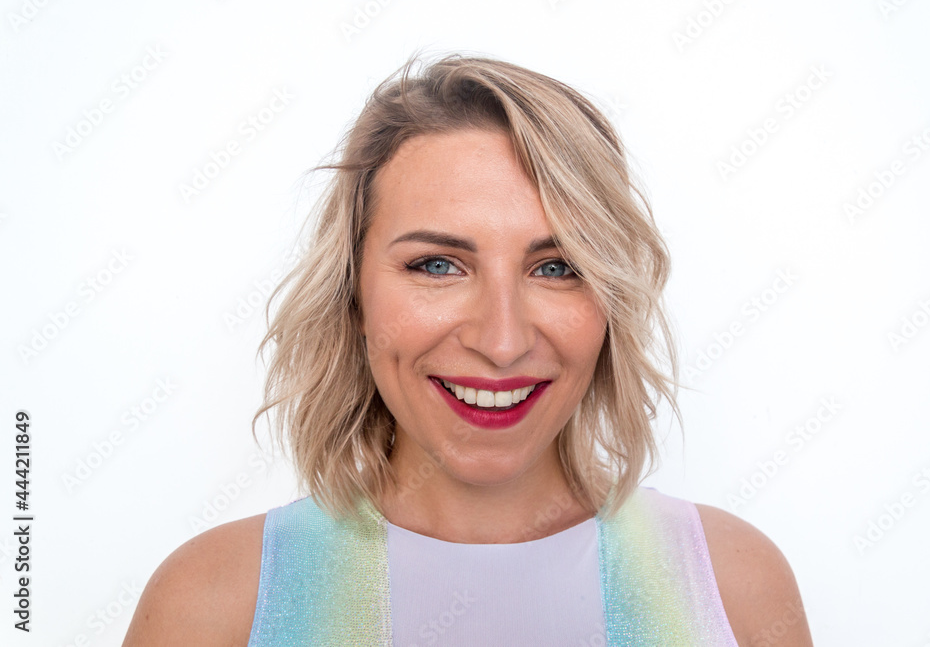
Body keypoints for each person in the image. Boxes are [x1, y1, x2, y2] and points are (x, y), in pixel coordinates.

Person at [123, 53, 813, 646]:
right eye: (437, 265)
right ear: (353, 294)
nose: (502, 341)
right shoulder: (213, 603)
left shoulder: (733, 587)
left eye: (556, 267)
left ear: (610, 300)